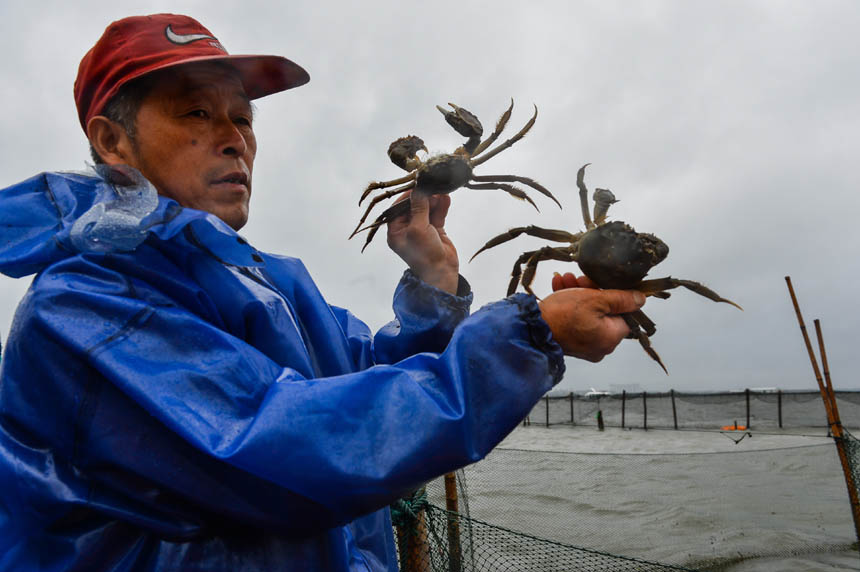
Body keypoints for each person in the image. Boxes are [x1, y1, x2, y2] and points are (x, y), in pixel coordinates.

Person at [0, 14, 645, 571]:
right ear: (111, 140)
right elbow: (285, 449)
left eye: (244, 118)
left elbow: (362, 380)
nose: (236, 139)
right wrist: (534, 334)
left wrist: (433, 283)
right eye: (197, 111)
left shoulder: (266, 281)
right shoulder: (82, 310)